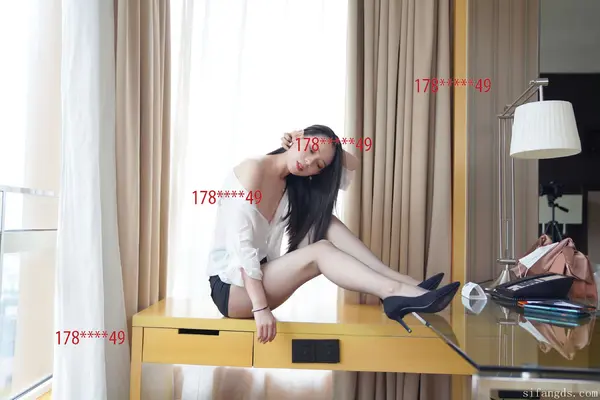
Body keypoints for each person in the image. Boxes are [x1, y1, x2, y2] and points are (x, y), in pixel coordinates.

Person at [207, 125, 459, 343]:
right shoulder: (254, 169)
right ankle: (393, 290)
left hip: (261, 280)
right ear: (298, 137)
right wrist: (261, 308)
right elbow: (241, 247)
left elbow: (352, 163)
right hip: (233, 289)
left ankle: (401, 281)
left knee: (324, 220)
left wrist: (318, 147)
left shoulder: (288, 183)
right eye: (310, 148)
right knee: (321, 251)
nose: (308, 162)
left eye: (318, 165)